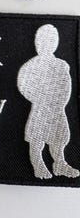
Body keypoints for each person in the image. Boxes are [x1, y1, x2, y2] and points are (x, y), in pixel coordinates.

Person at [17, 24, 79, 179]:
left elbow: (66, 85)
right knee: (36, 138)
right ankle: (38, 165)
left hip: (57, 108)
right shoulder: (31, 65)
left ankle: (60, 164)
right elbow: (23, 84)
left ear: (55, 43)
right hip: (40, 108)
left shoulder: (61, 65)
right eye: (43, 41)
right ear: (37, 43)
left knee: (59, 137)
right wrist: (37, 97)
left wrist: (60, 101)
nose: (47, 45)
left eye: (51, 41)